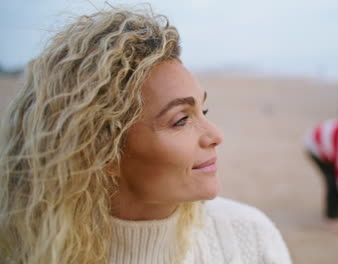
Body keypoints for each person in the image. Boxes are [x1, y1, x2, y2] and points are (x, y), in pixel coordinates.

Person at [0, 8, 292, 264]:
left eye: (204, 110)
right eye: (181, 120)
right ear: (102, 151)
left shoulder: (250, 237)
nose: (215, 135)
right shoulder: (27, 252)